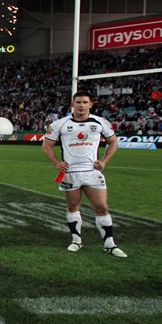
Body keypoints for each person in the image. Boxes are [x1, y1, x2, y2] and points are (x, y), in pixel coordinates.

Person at [42, 89, 127, 257]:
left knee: (101, 207)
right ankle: (76, 241)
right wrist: (57, 163)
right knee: (73, 207)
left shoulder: (100, 122)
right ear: (72, 104)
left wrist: (103, 161)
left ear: (91, 104)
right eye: (78, 102)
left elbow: (113, 142)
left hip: (92, 172)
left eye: (85, 102)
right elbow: (47, 145)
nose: (81, 105)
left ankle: (109, 244)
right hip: (70, 173)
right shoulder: (60, 124)